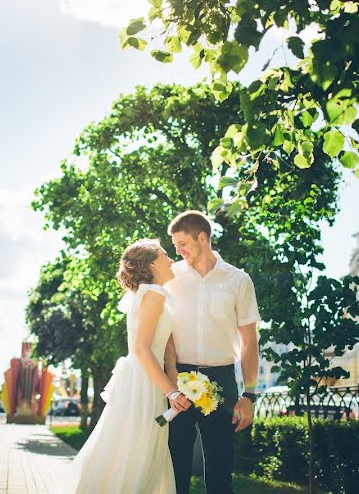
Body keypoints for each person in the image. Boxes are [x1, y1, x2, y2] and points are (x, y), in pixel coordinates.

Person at [58, 239, 191, 493]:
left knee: (136, 449)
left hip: (147, 380)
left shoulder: (152, 295)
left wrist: (175, 383)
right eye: (165, 255)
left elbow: (165, 352)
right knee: (138, 451)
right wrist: (171, 392)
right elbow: (142, 349)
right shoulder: (153, 294)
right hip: (144, 383)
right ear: (152, 264)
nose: (171, 259)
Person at [166, 210, 261, 494]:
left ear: (203, 237)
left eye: (182, 243)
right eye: (174, 246)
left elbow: (249, 341)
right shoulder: (170, 278)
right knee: (175, 469)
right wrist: (169, 381)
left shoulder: (238, 280)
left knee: (220, 475)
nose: (178, 251)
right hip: (177, 378)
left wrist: (250, 394)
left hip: (222, 379)